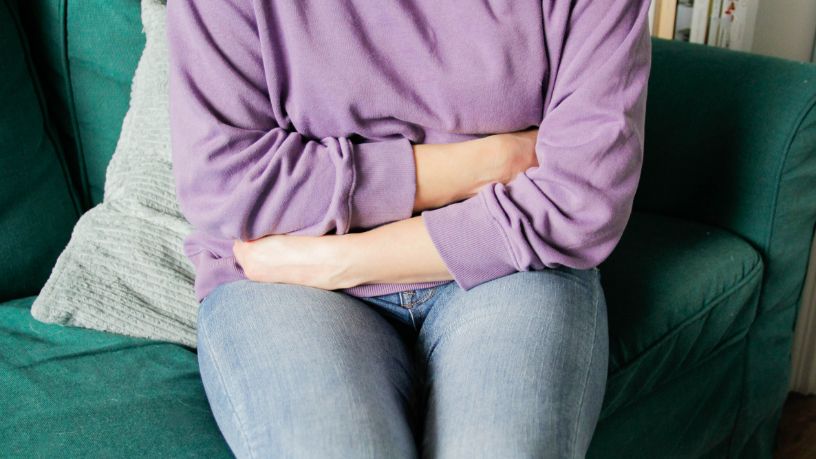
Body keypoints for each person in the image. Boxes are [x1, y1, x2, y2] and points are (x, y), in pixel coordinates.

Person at [166, 0, 652, 457]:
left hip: (512, 263)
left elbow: (583, 195)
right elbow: (226, 181)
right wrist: (492, 160)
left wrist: (340, 260)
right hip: (283, 287)